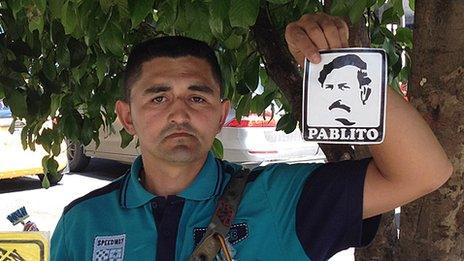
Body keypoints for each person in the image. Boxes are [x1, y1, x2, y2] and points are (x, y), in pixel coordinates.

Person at [51, 12, 452, 260]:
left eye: (197, 95)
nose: (179, 112)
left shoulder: (278, 198)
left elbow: (425, 172)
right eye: (158, 98)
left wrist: (342, 58)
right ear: (127, 117)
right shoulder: (82, 223)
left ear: (222, 113)